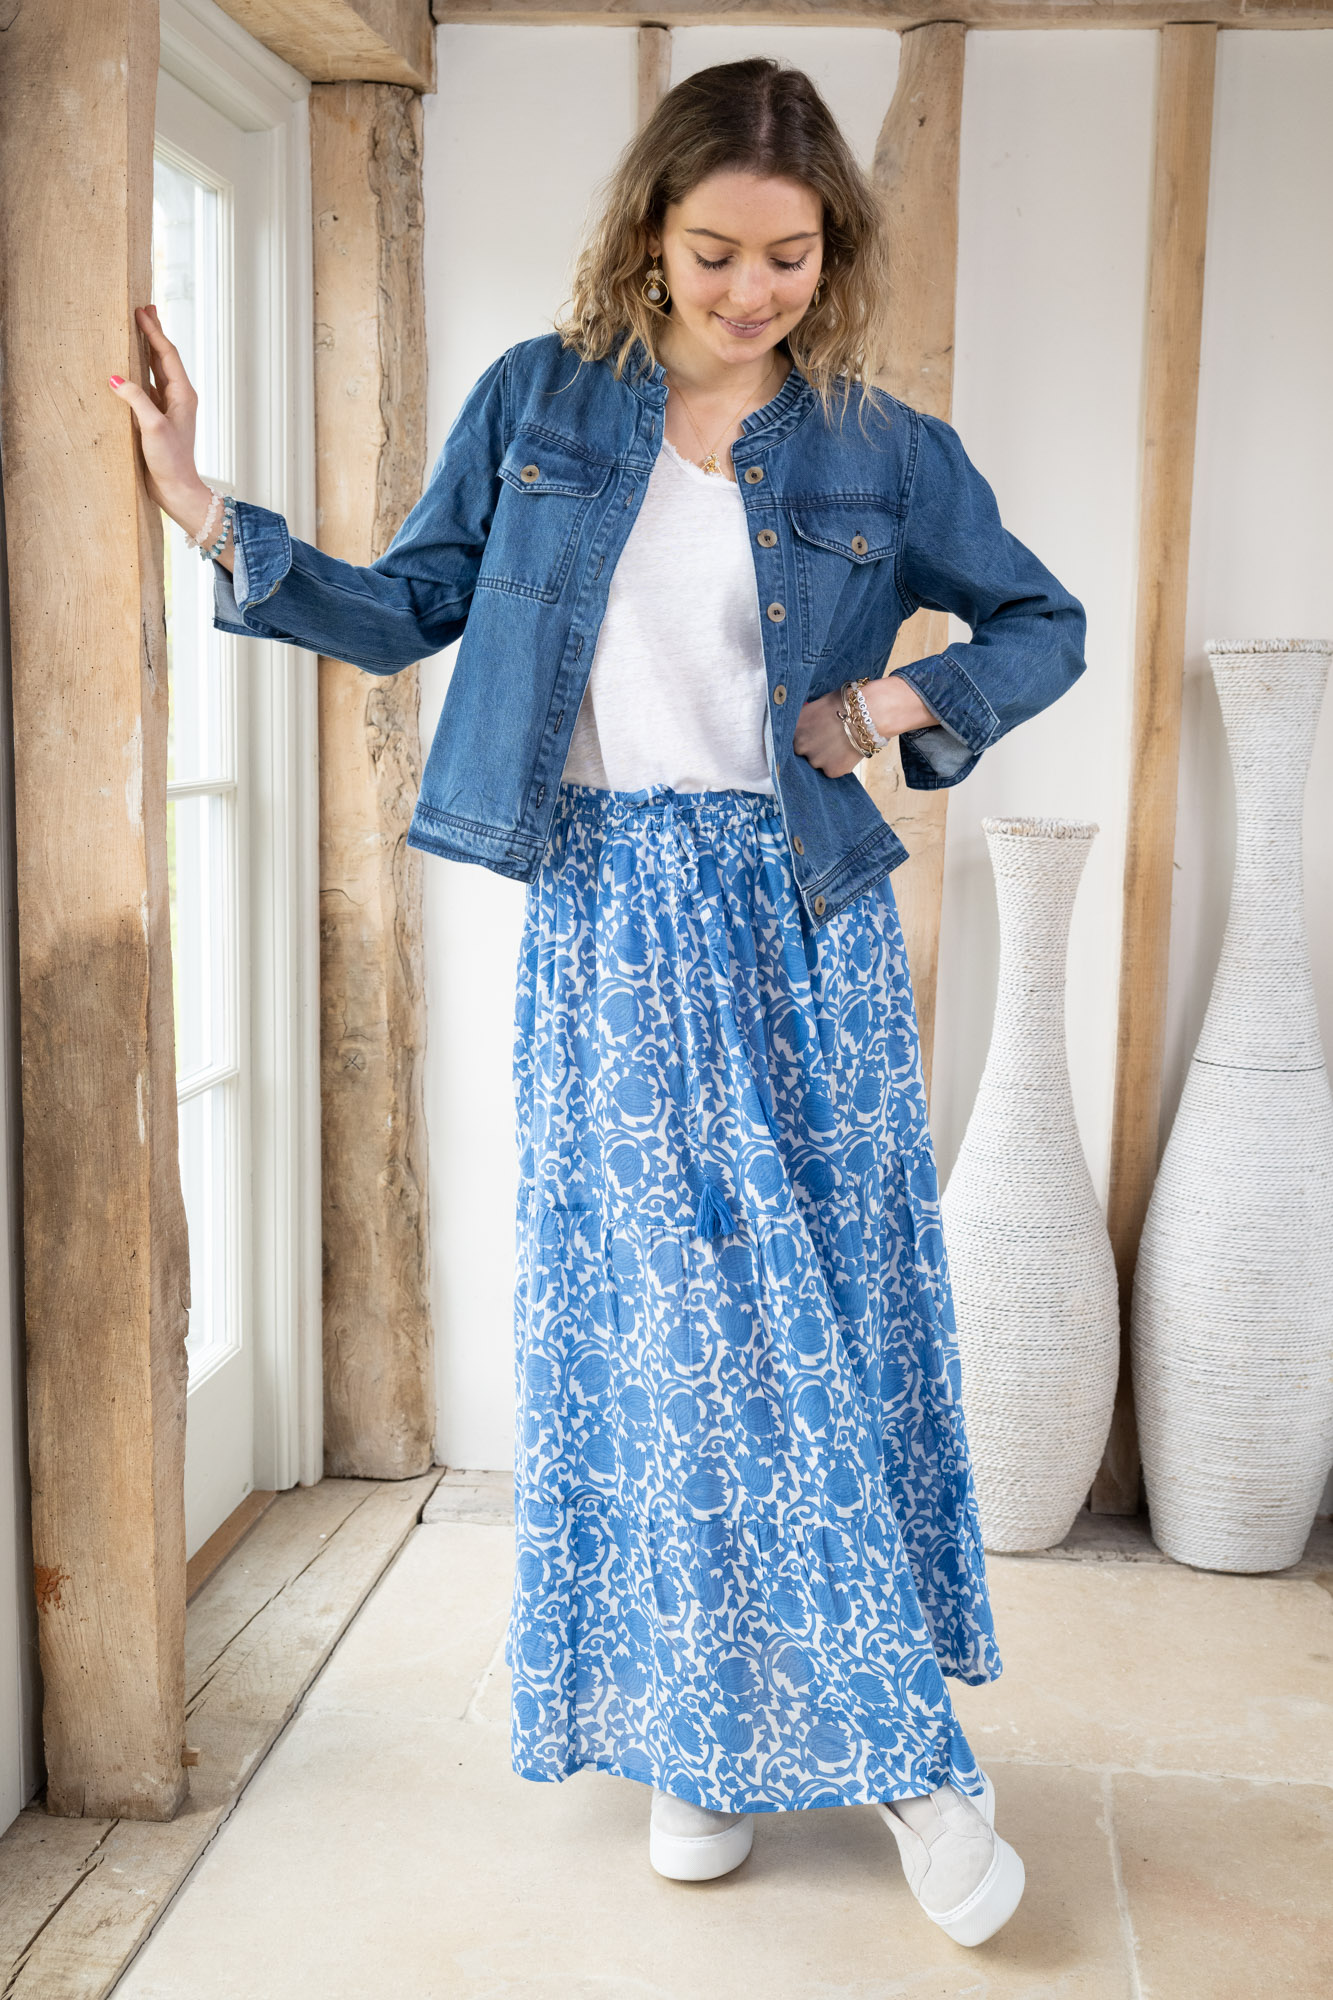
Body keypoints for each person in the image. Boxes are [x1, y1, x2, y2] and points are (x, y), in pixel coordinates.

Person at [111, 58, 1085, 1950]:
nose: (751, 290)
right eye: (715, 251)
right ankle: (750, 1750)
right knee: (678, 1337)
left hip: (803, 920)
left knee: (820, 1325)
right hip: (609, 921)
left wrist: (895, 703)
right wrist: (210, 513)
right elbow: (410, 608)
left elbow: (1037, 623)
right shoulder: (539, 403)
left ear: (831, 251)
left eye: (788, 256)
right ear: (648, 230)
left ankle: (833, 1749)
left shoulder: (881, 449)